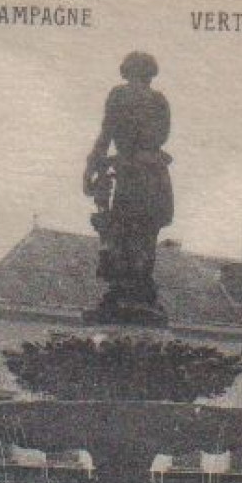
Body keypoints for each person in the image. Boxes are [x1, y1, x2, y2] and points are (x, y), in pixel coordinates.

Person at [83, 51, 174, 314]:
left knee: (124, 228)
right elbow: (162, 135)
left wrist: (92, 167)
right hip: (154, 175)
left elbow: (106, 134)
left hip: (130, 173)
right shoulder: (160, 101)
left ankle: (125, 289)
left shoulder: (119, 96)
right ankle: (140, 288)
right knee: (146, 232)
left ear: (126, 71)